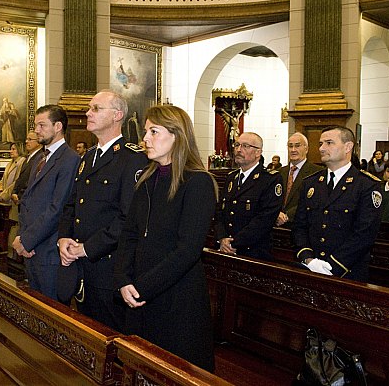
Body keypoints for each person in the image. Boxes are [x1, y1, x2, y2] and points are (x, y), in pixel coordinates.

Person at [114, 105, 217, 372]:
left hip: (176, 298)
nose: (145, 138)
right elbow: (129, 235)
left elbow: (188, 250)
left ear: (177, 136)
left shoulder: (198, 183)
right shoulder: (146, 180)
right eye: (146, 131)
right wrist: (124, 279)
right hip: (137, 292)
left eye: (153, 131)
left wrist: (141, 287)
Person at [57, 90, 147, 330]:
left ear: (117, 115)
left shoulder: (132, 158)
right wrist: (64, 237)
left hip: (109, 267)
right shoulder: (87, 157)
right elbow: (72, 204)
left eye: (96, 108)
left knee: (111, 336)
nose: (88, 113)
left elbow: (128, 218)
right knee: (87, 332)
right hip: (81, 265)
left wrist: (87, 248)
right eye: (89, 108)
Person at [293, 126, 383, 281]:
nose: (322, 148)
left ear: (348, 147)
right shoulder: (311, 183)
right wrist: (308, 258)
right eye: (321, 143)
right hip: (310, 268)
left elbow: (365, 234)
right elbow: (300, 226)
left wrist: (332, 267)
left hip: (346, 273)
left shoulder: (366, 185)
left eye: (329, 143)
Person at [12, 105, 80, 300]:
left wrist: (27, 240)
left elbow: (57, 208)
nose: (36, 130)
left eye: (42, 125)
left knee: (51, 311)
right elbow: (28, 202)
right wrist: (21, 237)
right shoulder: (41, 158)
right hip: (32, 248)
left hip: (49, 250)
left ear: (58, 126)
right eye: (35, 125)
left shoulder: (69, 159)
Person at [215, 132, 283, 261]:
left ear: (258, 152)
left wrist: (233, 243)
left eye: (245, 146)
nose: (239, 150)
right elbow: (219, 212)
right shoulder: (231, 178)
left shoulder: (270, 179)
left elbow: (264, 219)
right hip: (225, 249)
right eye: (237, 145)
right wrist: (222, 238)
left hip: (253, 252)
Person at [277, 132, 322, 227]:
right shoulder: (279, 172)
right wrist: (276, 214)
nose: (293, 150)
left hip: (301, 226)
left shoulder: (317, 173)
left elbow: (313, 201)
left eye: (297, 146)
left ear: (306, 149)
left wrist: (287, 216)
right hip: (277, 227)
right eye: (290, 146)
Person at [0, 142, 25, 253]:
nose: (10, 151)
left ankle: (12, 253)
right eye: (10, 149)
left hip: (12, 200)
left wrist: (4, 194)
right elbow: (3, 180)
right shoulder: (10, 163)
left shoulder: (22, 162)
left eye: (13, 149)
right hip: (5, 199)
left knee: (13, 227)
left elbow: (16, 182)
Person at [11, 131, 43, 205]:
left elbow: (32, 180)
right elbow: (21, 177)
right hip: (21, 200)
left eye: (30, 139)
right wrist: (14, 192)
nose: (26, 141)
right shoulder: (28, 157)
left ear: (38, 141)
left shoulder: (41, 157)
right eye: (26, 139)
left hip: (29, 200)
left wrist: (19, 195)